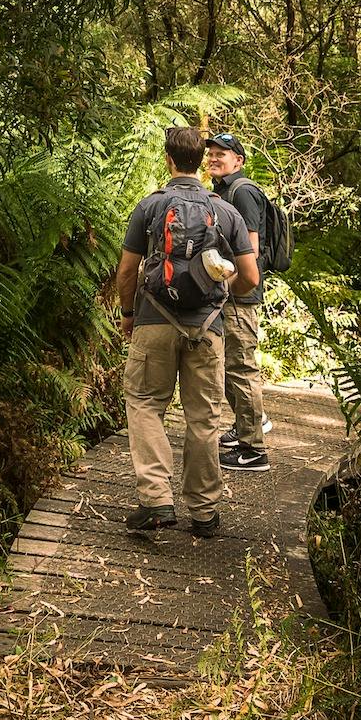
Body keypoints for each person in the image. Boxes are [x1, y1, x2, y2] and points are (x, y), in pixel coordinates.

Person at [111, 126, 261, 538]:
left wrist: (128, 312)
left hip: (154, 320)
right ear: (201, 162)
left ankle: (156, 499)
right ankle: (205, 512)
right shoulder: (226, 211)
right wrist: (220, 294)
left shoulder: (151, 205)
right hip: (208, 328)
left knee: (144, 403)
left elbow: (127, 270)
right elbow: (250, 276)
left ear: (169, 160)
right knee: (204, 417)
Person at [204, 133, 275, 473]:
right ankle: (245, 427)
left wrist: (227, 288)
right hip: (230, 291)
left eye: (222, 154)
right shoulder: (223, 191)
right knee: (232, 365)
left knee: (241, 366)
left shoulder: (242, 192)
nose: (214, 158)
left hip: (240, 294)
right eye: (211, 154)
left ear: (239, 161)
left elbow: (251, 249)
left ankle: (254, 449)